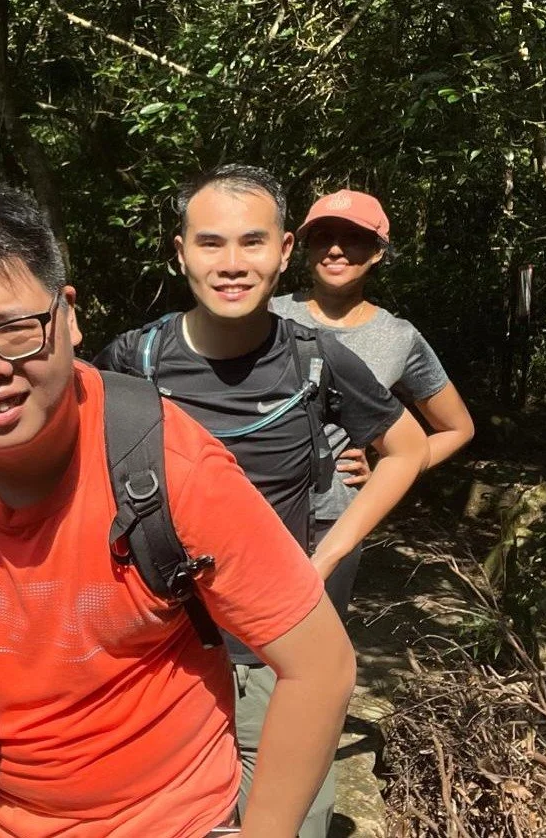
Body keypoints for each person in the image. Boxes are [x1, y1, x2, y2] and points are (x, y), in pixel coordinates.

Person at [0, 178, 355, 837]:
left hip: (164, 820)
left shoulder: (167, 464)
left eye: (14, 329)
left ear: (68, 317)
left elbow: (321, 665)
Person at [94, 165, 429, 837]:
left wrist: (325, 557)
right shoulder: (135, 360)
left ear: (283, 252)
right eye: (210, 242)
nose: (231, 263)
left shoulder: (316, 359)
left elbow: (408, 448)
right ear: (180, 252)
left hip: (275, 660)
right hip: (159, 658)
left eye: (252, 241)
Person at [269, 188, 474, 610]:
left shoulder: (398, 337)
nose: (336, 250)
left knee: (315, 637)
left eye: (354, 238)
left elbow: (457, 428)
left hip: (335, 522)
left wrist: (388, 466)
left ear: (378, 251)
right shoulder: (266, 314)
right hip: (252, 508)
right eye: (323, 237)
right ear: (304, 247)